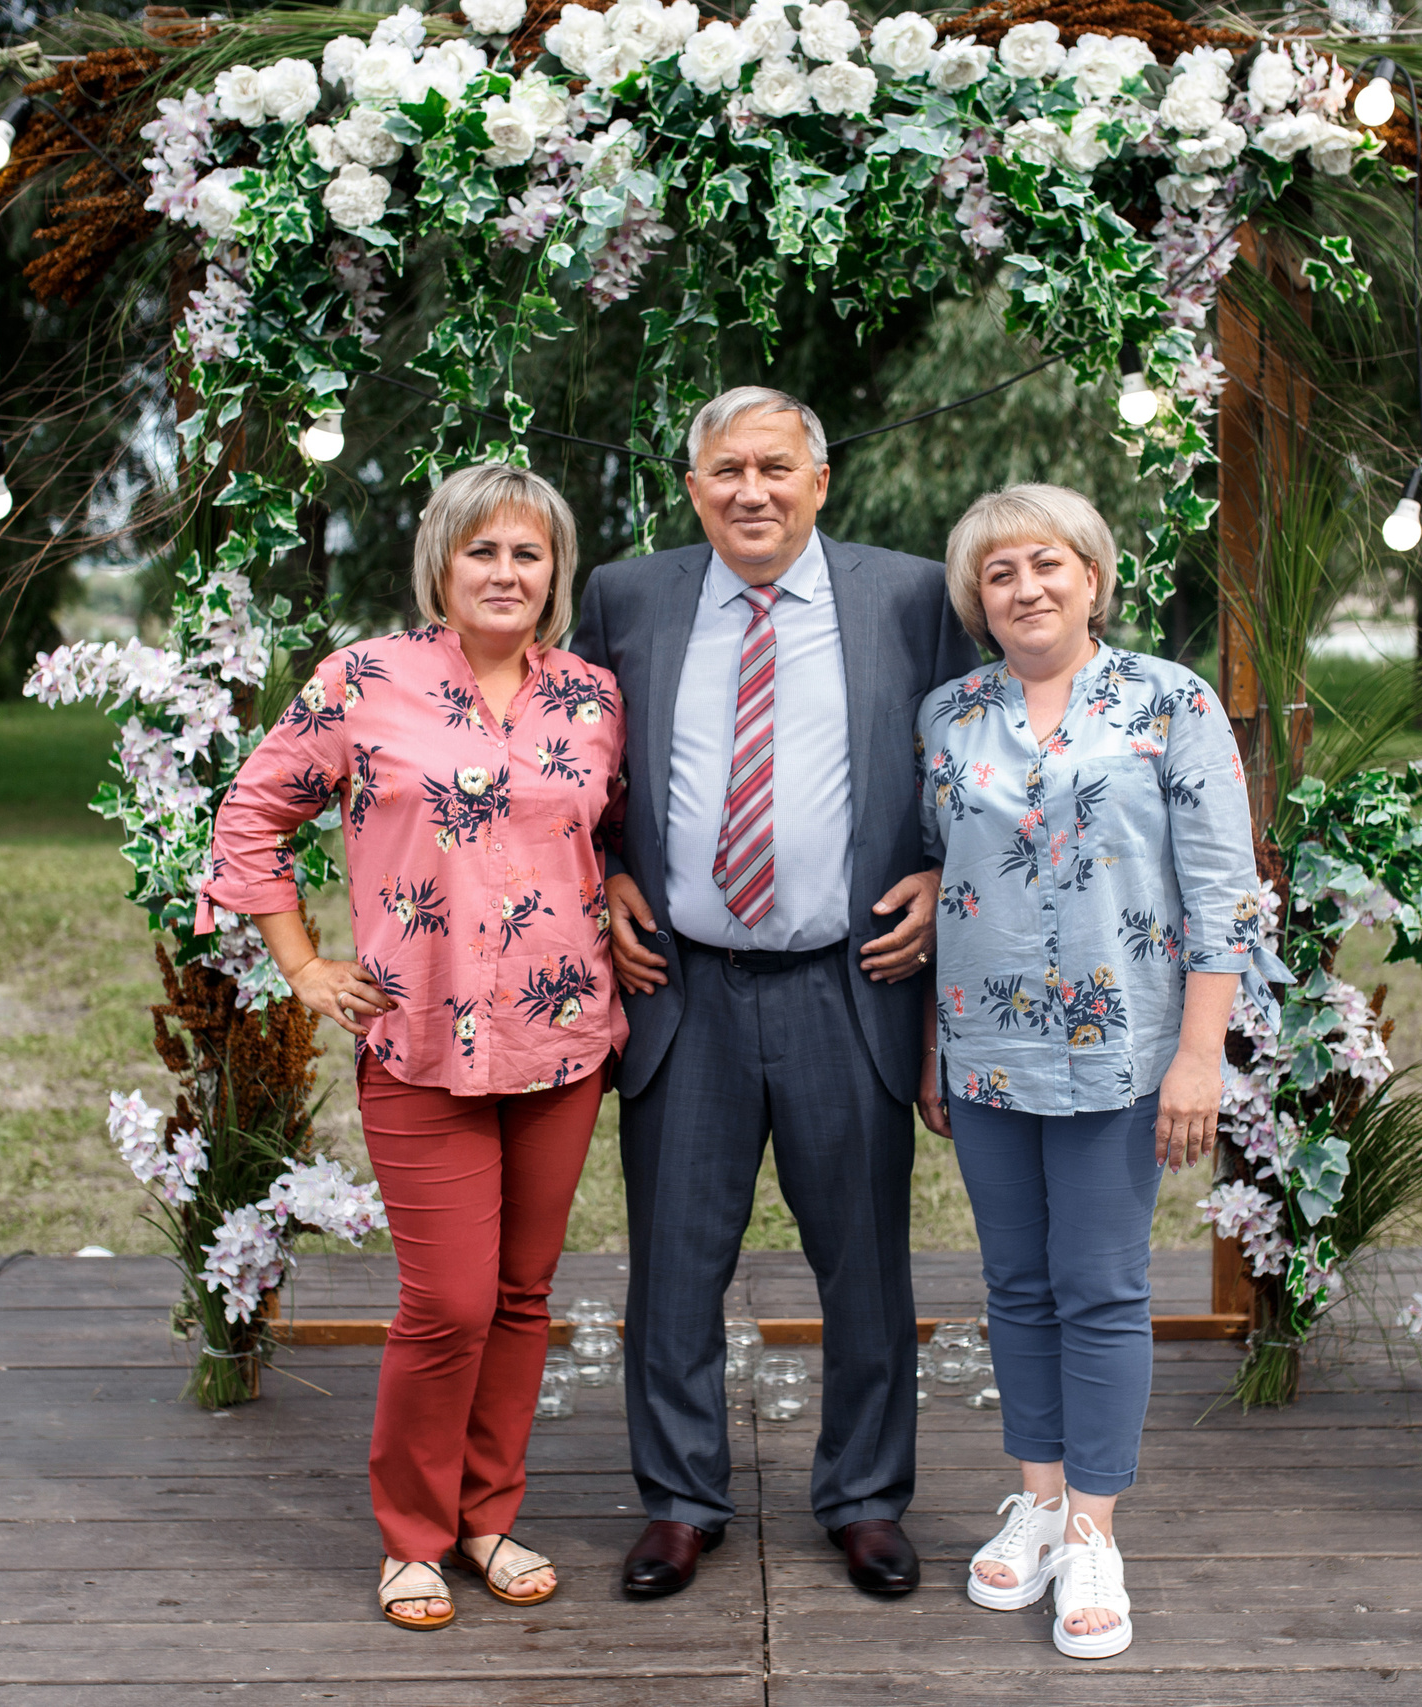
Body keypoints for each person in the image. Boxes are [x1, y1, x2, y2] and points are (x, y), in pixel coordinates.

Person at [199, 464, 627, 1633]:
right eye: (481, 550)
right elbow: (251, 815)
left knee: (522, 1295)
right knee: (446, 1302)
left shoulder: (590, 696)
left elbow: (618, 832)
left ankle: (490, 1517)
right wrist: (300, 966)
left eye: (527, 554)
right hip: (418, 1036)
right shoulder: (364, 681)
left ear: (556, 573)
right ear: (441, 561)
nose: (505, 572)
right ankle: (412, 1536)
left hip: (562, 1038)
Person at [569, 386, 980, 1600]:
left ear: (819, 480)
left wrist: (940, 866)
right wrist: (599, 876)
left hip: (846, 984)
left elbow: (977, 751)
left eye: (774, 467)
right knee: (673, 1267)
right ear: (691, 489)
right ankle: (681, 1501)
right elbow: (565, 767)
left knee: (864, 1265)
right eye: (725, 471)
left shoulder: (909, 597)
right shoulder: (626, 597)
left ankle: (862, 1498)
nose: (751, 490)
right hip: (680, 987)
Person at [913, 484, 1288, 1660]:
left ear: (1091, 576)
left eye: (1045, 564)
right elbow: (943, 882)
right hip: (984, 1043)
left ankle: (1095, 1528)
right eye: (998, 574)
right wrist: (934, 1041)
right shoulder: (947, 716)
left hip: (1124, 1054)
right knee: (1014, 1287)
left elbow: (1225, 892)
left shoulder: (1168, 703)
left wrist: (1198, 1057)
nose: (1024, 588)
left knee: (1103, 1287)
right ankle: (1035, 1496)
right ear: (978, 599)